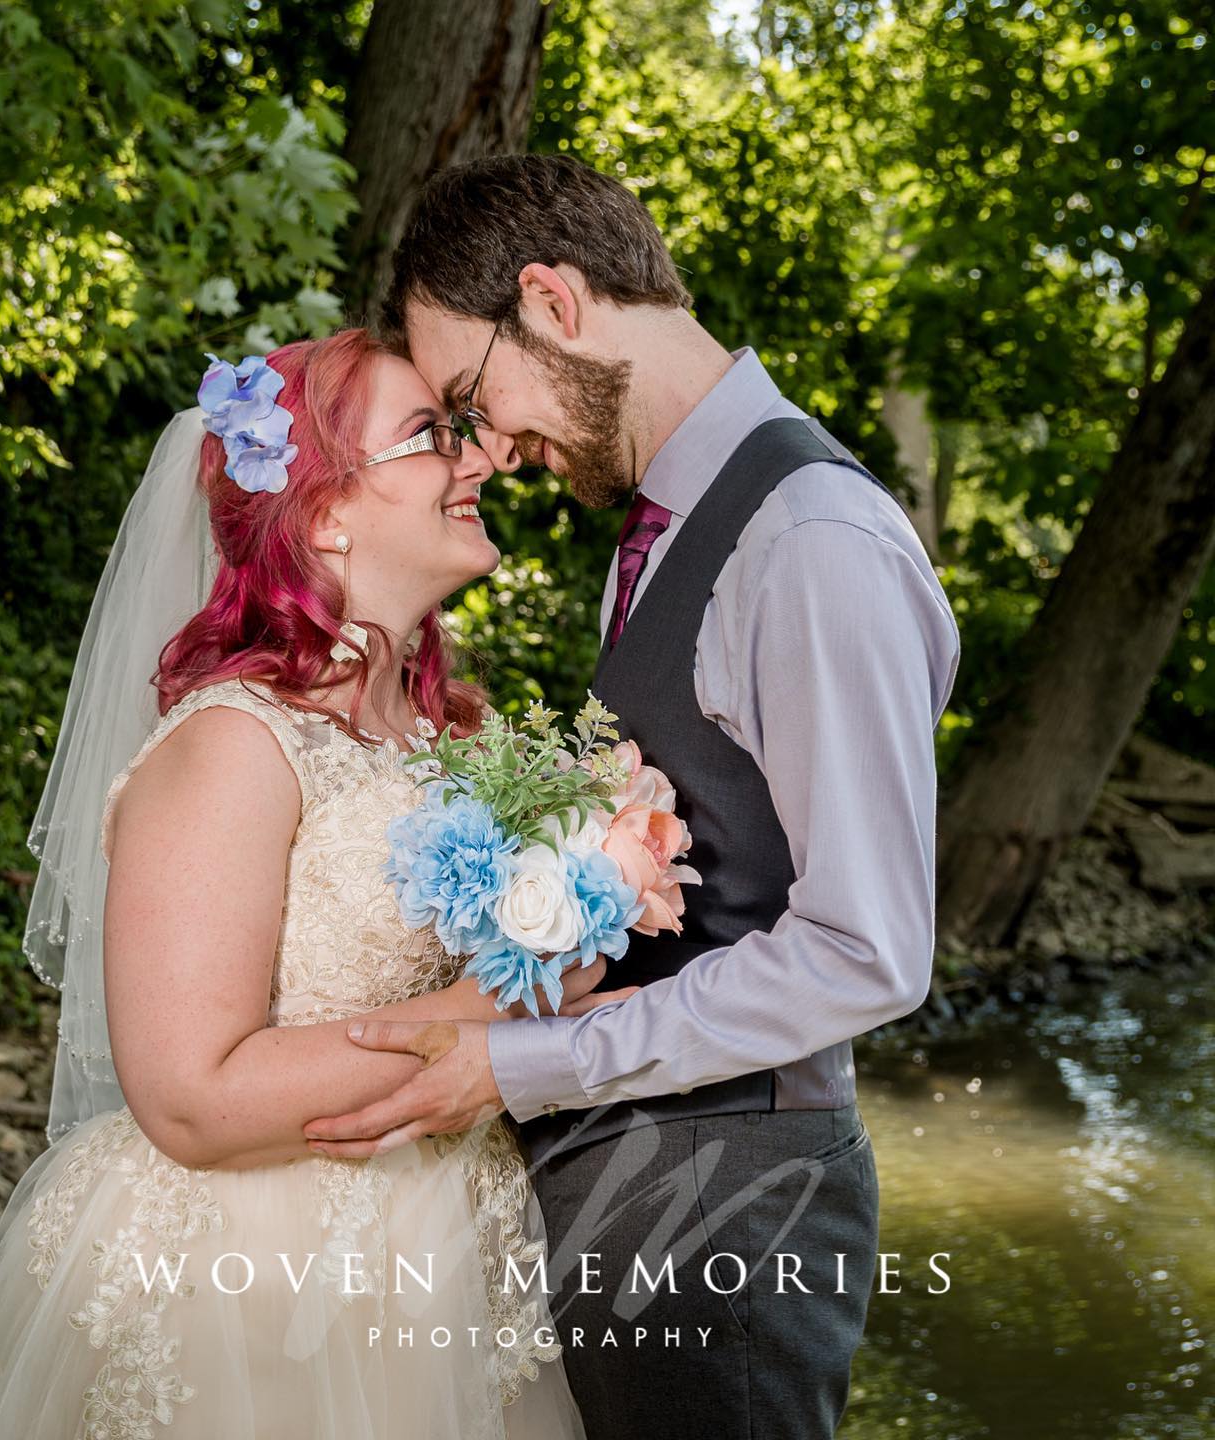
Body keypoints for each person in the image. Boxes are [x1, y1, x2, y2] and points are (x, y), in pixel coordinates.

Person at [300, 155, 962, 1440]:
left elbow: (867, 951)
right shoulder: (666, 527)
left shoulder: (810, 543)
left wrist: (528, 1063)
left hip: (730, 1201)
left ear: (551, 301)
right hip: (639, 1181)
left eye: (470, 400)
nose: (487, 451)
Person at [0, 328, 607, 1439]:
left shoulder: (448, 738)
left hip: (453, 1251)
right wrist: (500, 1007)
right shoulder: (235, 744)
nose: (478, 461)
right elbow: (192, 1095)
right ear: (327, 513)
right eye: (431, 437)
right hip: (257, 1284)